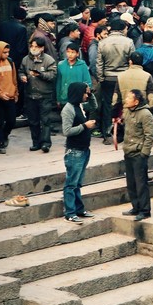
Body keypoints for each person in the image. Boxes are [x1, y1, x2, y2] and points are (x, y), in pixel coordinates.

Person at [61, 82, 97, 224]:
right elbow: (67, 131)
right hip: (74, 152)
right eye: (84, 93)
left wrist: (91, 93)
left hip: (84, 149)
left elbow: (94, 106)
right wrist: (84, 126)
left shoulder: (79, 106)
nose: (86, 95)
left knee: (78, 183)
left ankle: (79, 209)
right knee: (71, 183)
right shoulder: (68, 110)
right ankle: (70, 212)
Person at [97, 18, 135, 145]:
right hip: (124, 77)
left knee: (108, 106)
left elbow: (99, 64)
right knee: (125, 105)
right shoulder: (128, 42)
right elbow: (132, 61)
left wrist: (101, 78)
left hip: (108, 78)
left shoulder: (102, 43)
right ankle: (124, 132)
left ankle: (108, 134)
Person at [121, 89, 153, 221]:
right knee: (131, 183)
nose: (126, 100)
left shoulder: (145, 114)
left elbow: (149, 136)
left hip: (138, 154)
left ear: (136, 101)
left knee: (141, 183)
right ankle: (135, 207)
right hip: (128, 151)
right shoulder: (127, 111)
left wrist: (144, 154)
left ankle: (145, 210)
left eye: (129, 98)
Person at [20, 37, 58, 153]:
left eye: (36, 46)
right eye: (32, 46)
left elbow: (53, 75)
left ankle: (46, 143)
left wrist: (40, 74)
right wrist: (22, 76)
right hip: (30, 94)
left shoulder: (49, 60)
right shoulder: (26, 59)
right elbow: (21, 70)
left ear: (42, 48)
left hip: (44, 95)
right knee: (33, 121)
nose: (33, 48)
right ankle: (35, 143)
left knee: (45, 120)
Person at [0, 41, 19, 154]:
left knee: (11, 121)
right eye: (5, 52)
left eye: (8, 52)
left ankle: (5, 135)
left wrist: (16, 93)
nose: (7, 54)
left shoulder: (10, 62)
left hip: (10, 97)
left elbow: (14, 79)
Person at [57, 42, 92, 112]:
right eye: (68, 52)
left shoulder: (82, 65)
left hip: (78, 98)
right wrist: (58, 98)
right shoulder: (61, 65)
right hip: (64, 97)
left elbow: (87, 82)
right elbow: (59, 82)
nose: (70, 54)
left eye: (73, 52)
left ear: (77, 54)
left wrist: (85, 94)